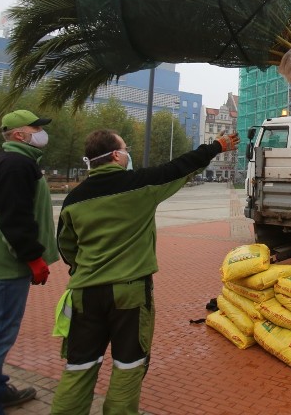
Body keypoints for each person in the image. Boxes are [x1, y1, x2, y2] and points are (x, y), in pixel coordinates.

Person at [51, 129, 240, 414]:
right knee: (128, 366)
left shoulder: (74, 199)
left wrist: (86, 268)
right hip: (130, 294)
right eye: (125, 149)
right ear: (116, 155)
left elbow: (66, 246)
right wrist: (216, 146)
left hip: (84, 294)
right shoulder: (139, 186)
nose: (128, 155)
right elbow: (180, 167)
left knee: (79, 366)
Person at [0, 109, 59, 413]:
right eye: (36, 127)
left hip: (7, 263)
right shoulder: (16, 164)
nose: (41, 132)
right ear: (19, 134)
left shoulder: (17, 162)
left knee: (0, 332)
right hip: (7, 266)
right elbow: (14, 218)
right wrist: (33, 259)